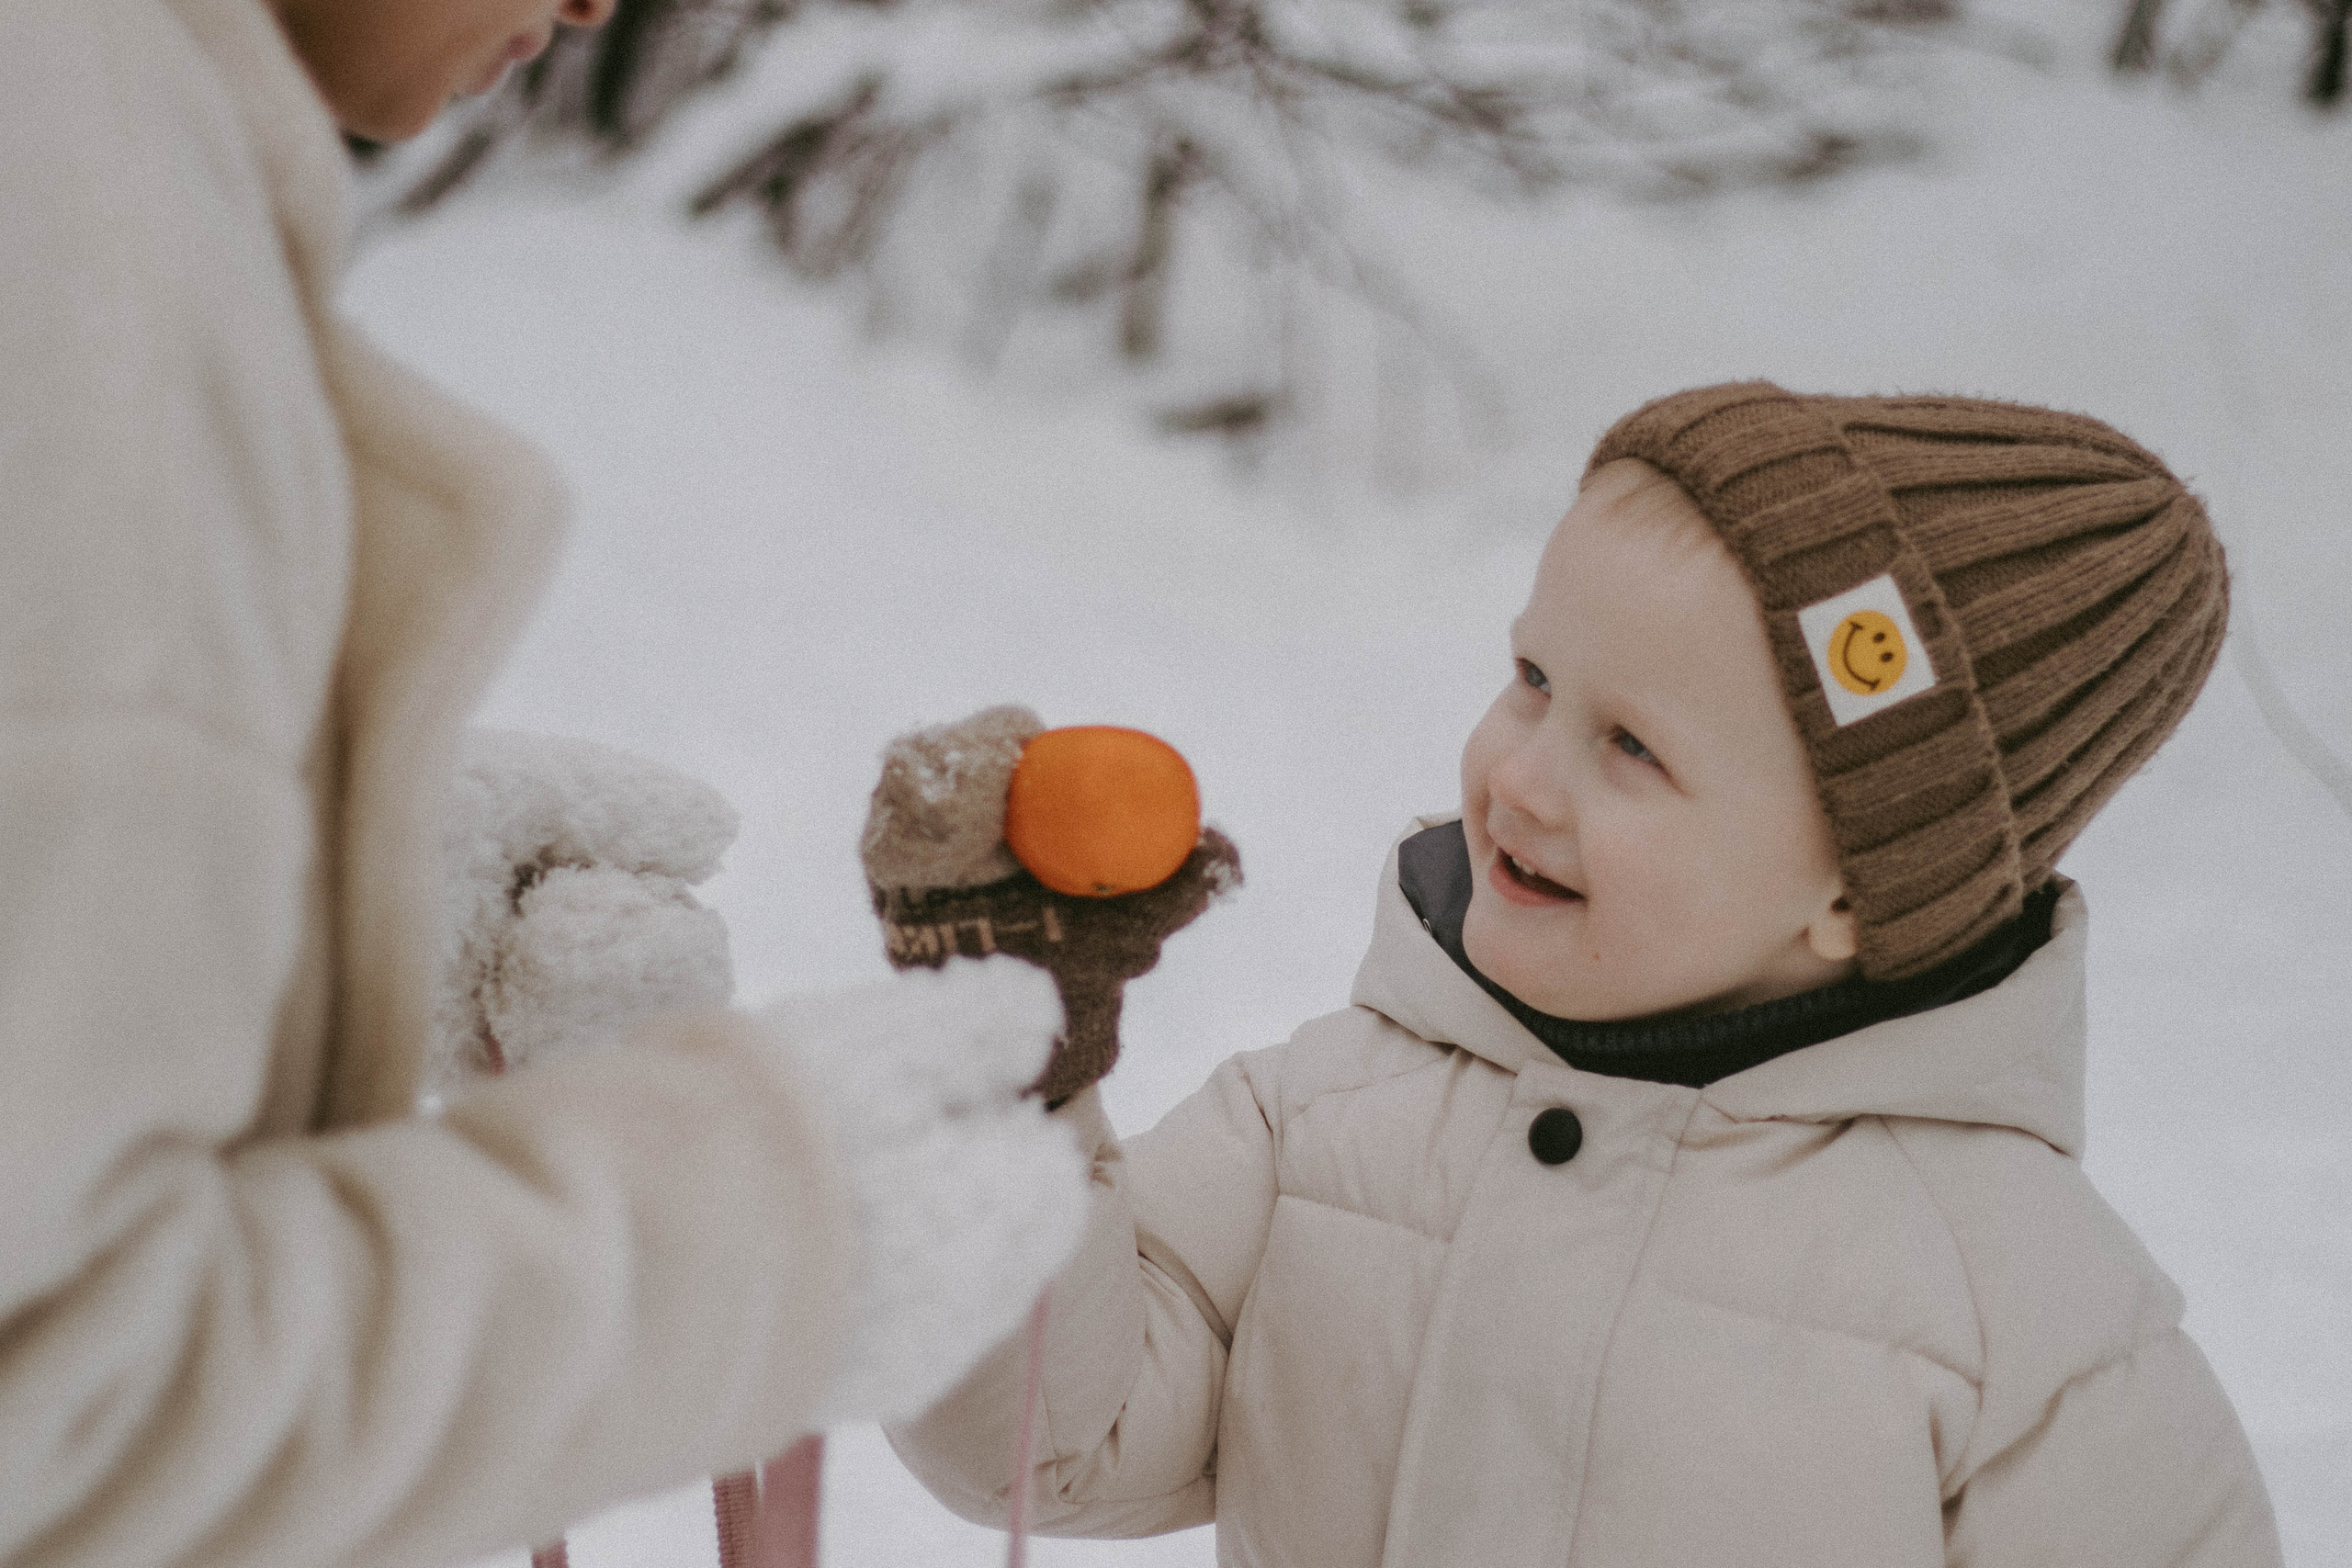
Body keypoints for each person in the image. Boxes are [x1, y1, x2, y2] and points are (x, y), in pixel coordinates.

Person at [0, 3, 1089, 1565]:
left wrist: (305, 877)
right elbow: (59, 1400)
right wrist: (735, 1245)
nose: (595, 7)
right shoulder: (95, 220)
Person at [888, 384, 2285, 1564]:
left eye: (1635, 748)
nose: (1521, 777)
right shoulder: (1321, 1127)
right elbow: (1034, 1448)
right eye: (1536, 680)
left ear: (1860, 885)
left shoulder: (2019, 1311)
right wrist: (1012, 1079)